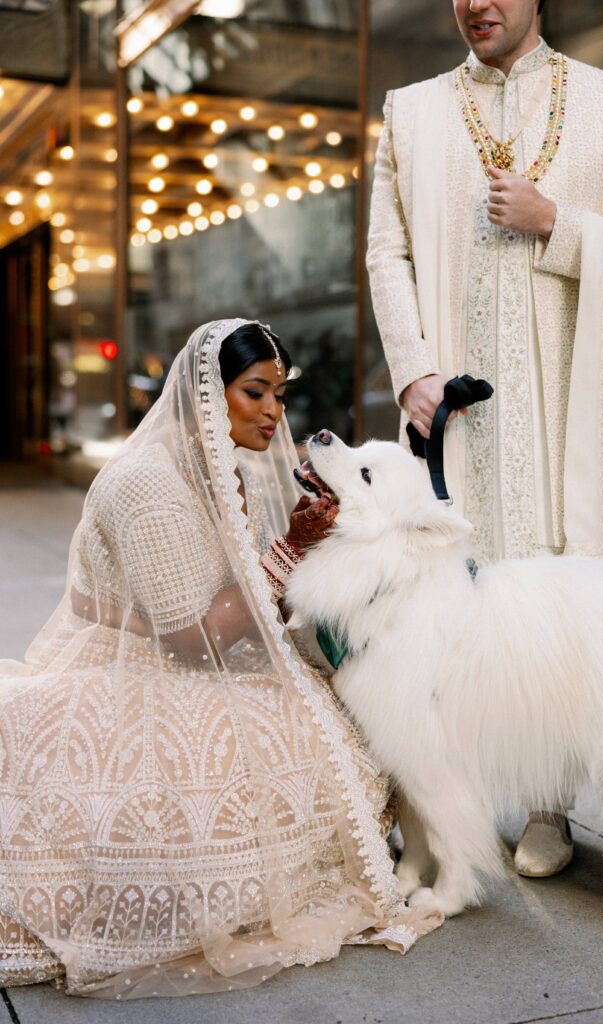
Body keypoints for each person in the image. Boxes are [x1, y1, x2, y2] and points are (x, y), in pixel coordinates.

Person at [0, 319, 439, 999]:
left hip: (198, 657)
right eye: (255, 392)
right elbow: (187, 637)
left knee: (343, 713)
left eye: (280, 395)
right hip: (143, 676)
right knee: (308, 750)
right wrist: (290, 548)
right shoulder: (148, 484)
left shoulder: (211, 464)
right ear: (209, 392)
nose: (272, 411)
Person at [366, 0, 603, 878]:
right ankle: (446, 803)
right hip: (449, 412)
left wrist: (557, 224)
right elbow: (387, 256)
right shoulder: (410, 110)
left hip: (551, 410)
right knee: (444, 603)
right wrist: (413, 369)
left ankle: (547, 809)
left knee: (559, 602)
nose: (476, 4)